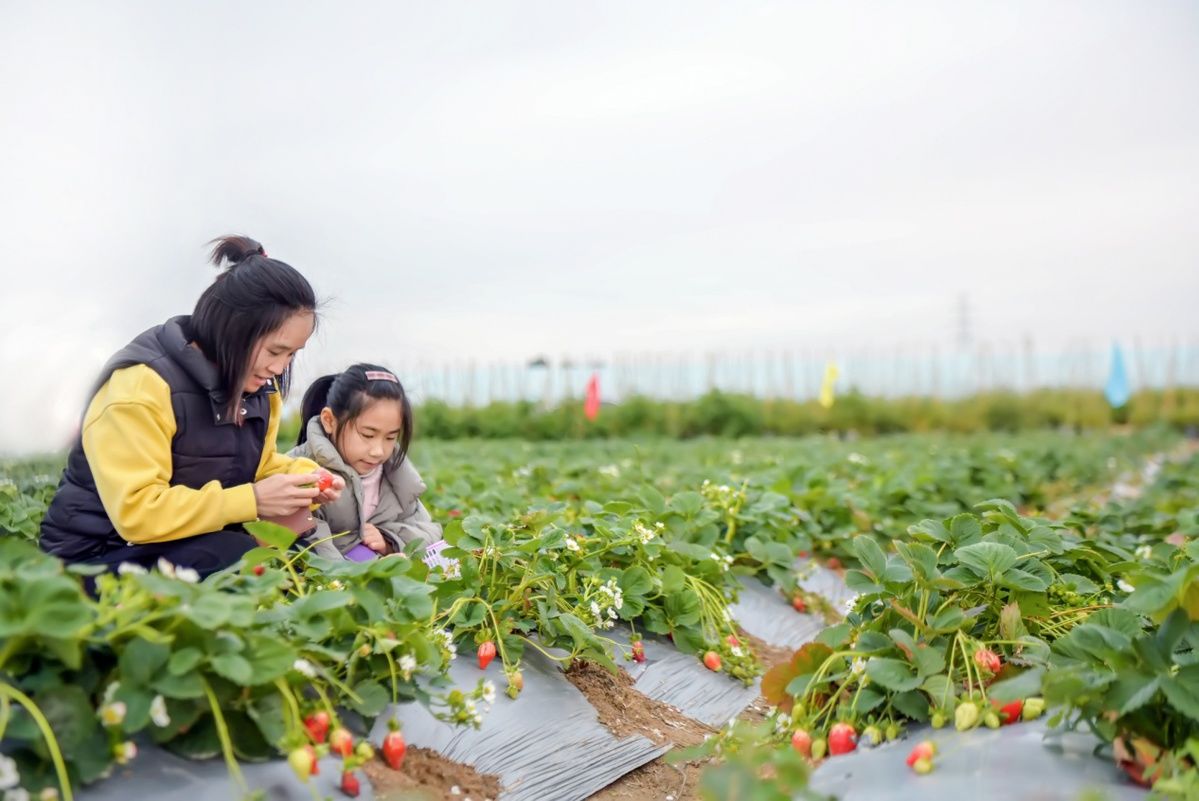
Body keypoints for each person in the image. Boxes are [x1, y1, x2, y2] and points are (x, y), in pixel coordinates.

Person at [39, 235, 344, 578]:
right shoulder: (140, 386)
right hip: (94, 558)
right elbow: (137, 514)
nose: (280, 367)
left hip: (173, 545)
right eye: (275, 351)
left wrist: (305, 478)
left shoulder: (258, 388)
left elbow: (259, 466)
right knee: (234, 555)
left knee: (295, 533)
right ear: (234, 330)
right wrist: (252, 500)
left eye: (291, 355)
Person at [289, 363, 441, 561]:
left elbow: (428, 529)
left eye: (390, 438)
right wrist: (369, 572)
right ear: (329, 421)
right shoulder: (300, 469)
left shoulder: (396, 475)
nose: (378, 451)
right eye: (367, 435)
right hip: (335, 581)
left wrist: (389, 541)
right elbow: (309, 544)